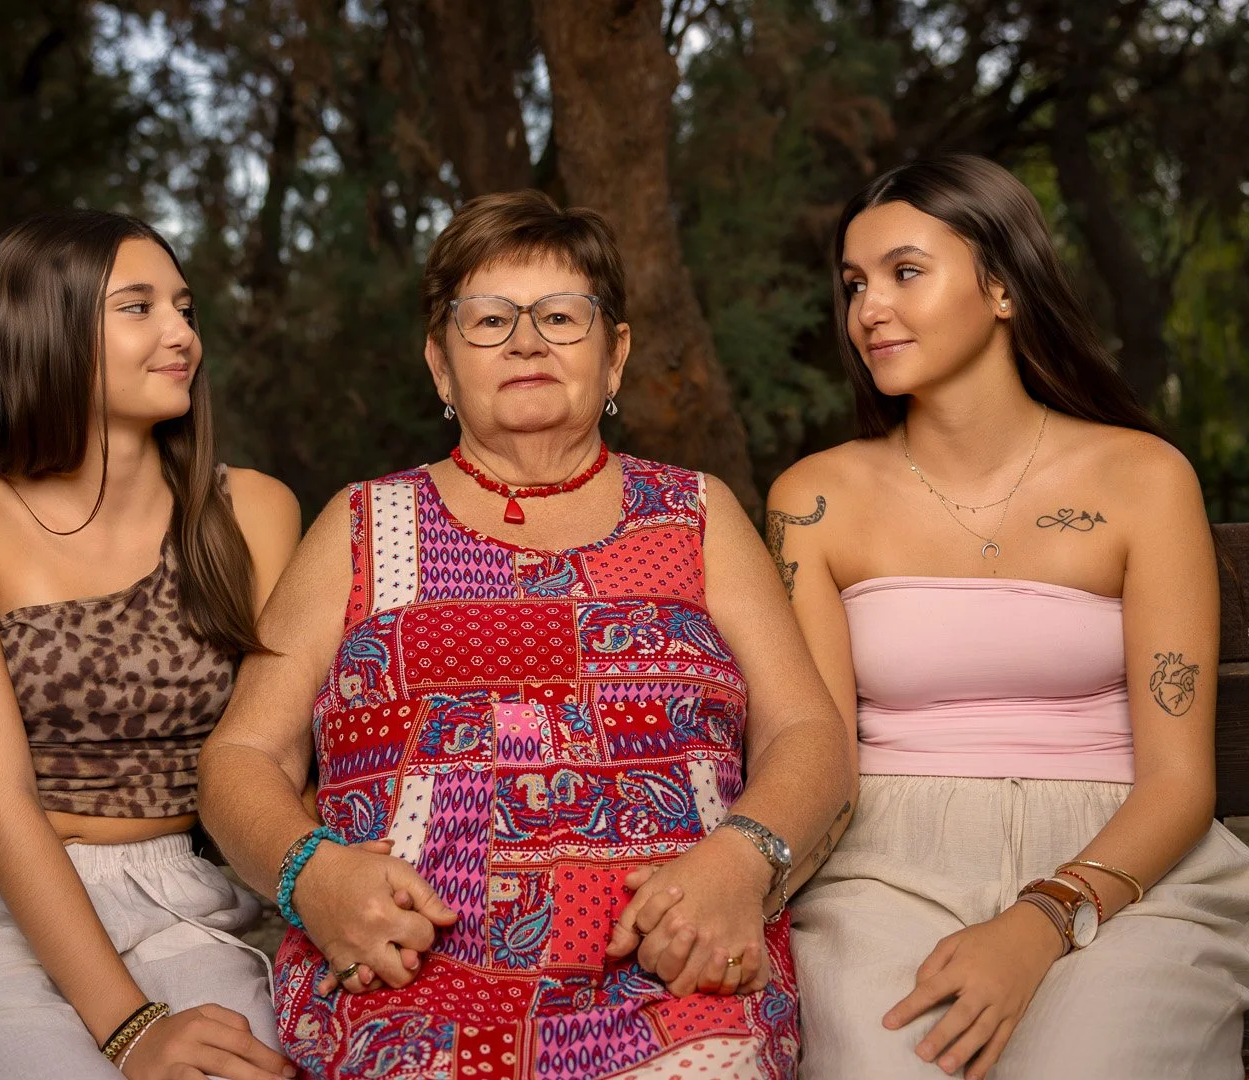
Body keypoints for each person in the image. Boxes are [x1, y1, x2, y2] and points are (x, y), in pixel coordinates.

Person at [197, 189, 852, 1079]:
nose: (527, 341)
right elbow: (240, 756)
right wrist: (312, 877)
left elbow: (807, 732)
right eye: (489, 319)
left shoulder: (696, 513)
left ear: (615, 355)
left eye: (561, 316)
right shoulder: (360, 523)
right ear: (439, 364)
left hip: (678, 968)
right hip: (407, 983)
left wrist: (742, 863)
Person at [769, 154, 1249, 1080]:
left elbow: (1179, 782)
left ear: (1001, 287)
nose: (868, 309)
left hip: (1124, 862)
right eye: (854, 284)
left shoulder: (1144, 480)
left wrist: (1043, 919)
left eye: (905, 272)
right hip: (886, 868)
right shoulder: (815, 499)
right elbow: (822, 759)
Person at [0, 209, 302, 1080]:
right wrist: (131, 1029)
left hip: (179, 902)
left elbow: (282, 757)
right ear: (46, 331)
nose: (182, 333)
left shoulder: (252, 510)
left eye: (183, 306)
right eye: (137, 307)